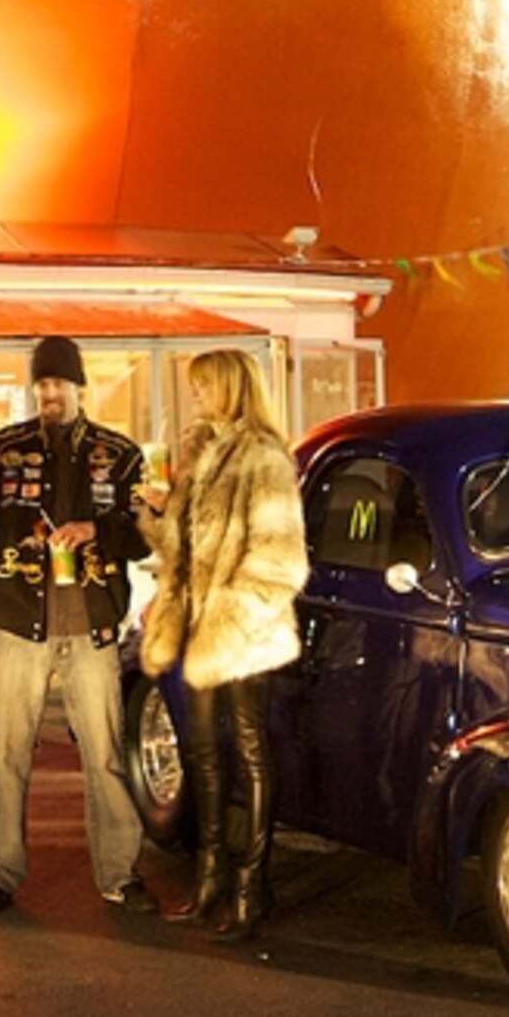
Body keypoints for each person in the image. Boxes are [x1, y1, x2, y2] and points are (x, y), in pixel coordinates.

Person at [0, 335, 157, 916]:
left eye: (58, 383)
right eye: (41, 383)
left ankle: (120, 873)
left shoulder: (120, 455)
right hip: (21, 621)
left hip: (93, 625)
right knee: (8, 754)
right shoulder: (0, 450)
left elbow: (143, 529)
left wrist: (98, 532)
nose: (49, 392)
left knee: (104, 755)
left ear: (78, 386)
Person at [139, 348, 308, 939]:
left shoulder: (263, 456)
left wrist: (229, 615)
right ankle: (209, 872)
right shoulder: (201, 453)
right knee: (202, 751)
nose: (198, 398)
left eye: (205, 387)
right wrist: (157, 514)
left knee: (251, 750)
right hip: (198, 626)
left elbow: (282, 559)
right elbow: (180, 547)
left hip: (242, 631)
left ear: (232, 387)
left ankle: (250, 884)